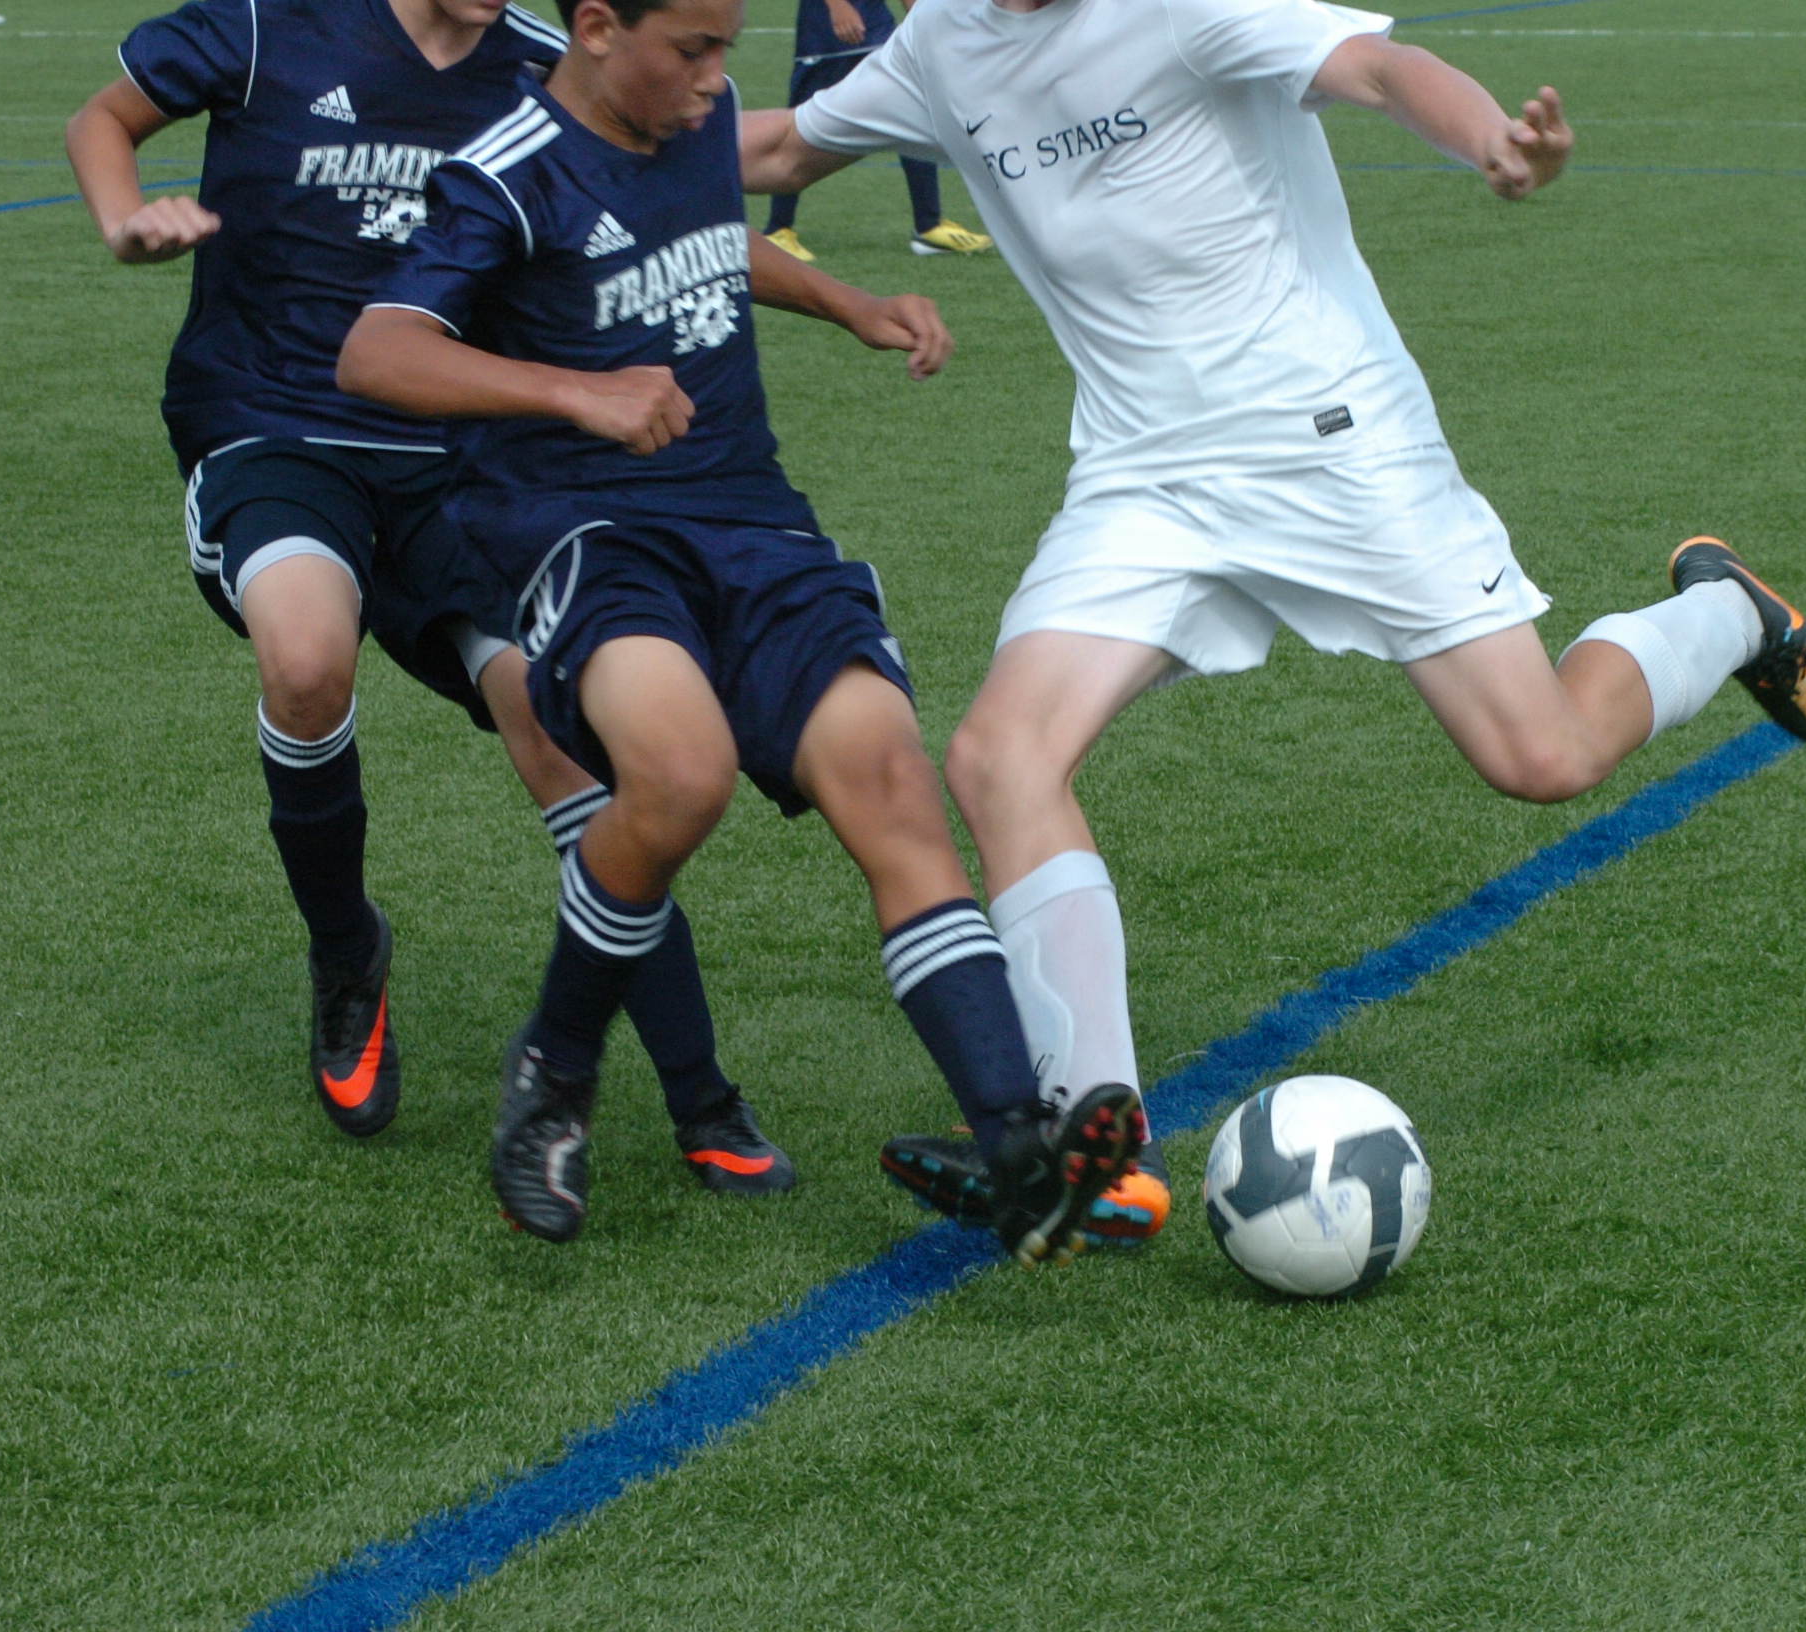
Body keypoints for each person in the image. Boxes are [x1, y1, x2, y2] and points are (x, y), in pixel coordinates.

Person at [736, 0, 1806, 1244]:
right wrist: (587, 130)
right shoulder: (945, 40)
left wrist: (1493, 139)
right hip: (1143, 479)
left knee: (1540, 756)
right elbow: (781, 148)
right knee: (1000, 755)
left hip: (1332, 439)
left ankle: (1727, 613)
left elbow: (1376, 66)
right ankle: (1101, 1152)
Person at [334, 0, 1145, 1256]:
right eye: (694, 51)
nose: (719, 82)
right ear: (596, 29)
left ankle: (1012, 1143)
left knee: (888, 775)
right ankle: (555, 1068)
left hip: (753, 524)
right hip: (589, 532)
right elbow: (377, 353)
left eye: (729, 48)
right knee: (681, 773)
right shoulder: (505, 174)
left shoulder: (692, 127)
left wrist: (846, 301)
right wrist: (578, 393)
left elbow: (713, 243)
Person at [65, 0, 797, 1196]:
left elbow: (690, 223)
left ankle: (699, 1090)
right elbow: (104, 118)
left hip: (460, 459)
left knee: (564, 737)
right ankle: (347, 955)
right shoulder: (268, 24)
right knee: (307, 659)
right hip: (274, 427)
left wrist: (847, 302)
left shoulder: (540, 67)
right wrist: (124, 217)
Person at [759, 0, 991, 261]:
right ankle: (777, 229)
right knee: (799, 130)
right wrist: (837, 6)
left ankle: (928, 226)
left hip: (877, 26)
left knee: (909, 112)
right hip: (825, 35)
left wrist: (919, 13)